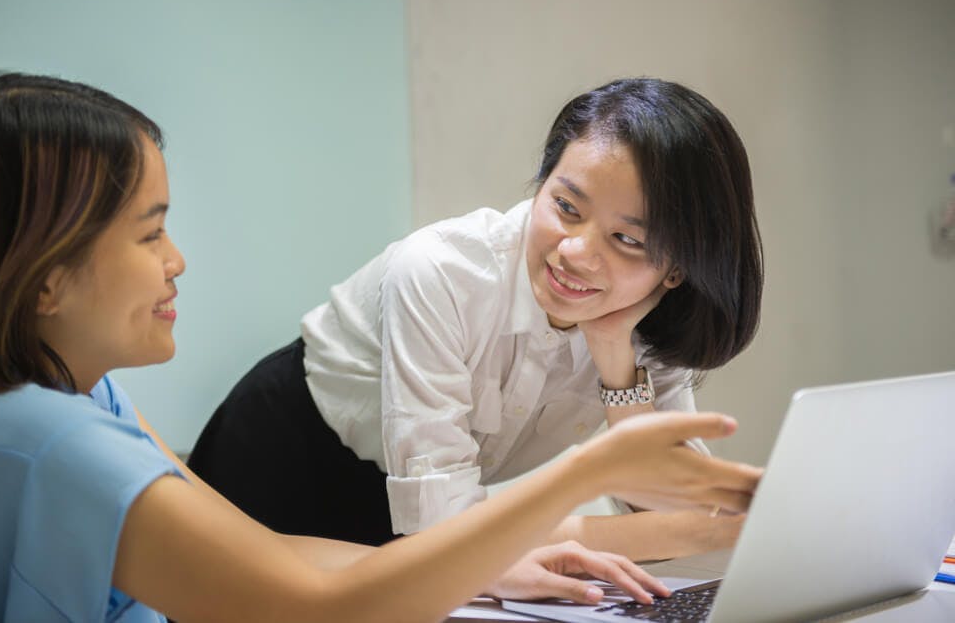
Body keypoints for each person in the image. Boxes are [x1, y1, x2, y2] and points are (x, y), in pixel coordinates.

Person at [0, 72, 762, 623]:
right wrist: (587, 483)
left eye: (627, 239)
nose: (178, 261)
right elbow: (321, 607)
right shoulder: (58, 439)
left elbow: (277, 560)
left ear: (678, 266)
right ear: (43, 281)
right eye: (150, 232)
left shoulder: (87, 395)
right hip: (301, 449)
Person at [189, 77, 765, 558]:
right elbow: (442, 533)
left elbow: (675, 510)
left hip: (418, 521)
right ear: (542, 184)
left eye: (626, 239)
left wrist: (615, 358)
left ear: (676, 271)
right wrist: (625, 536)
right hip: (285, 457)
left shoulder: (644, 327)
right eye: (565, 207)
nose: (575, 252)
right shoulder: (439, 272)